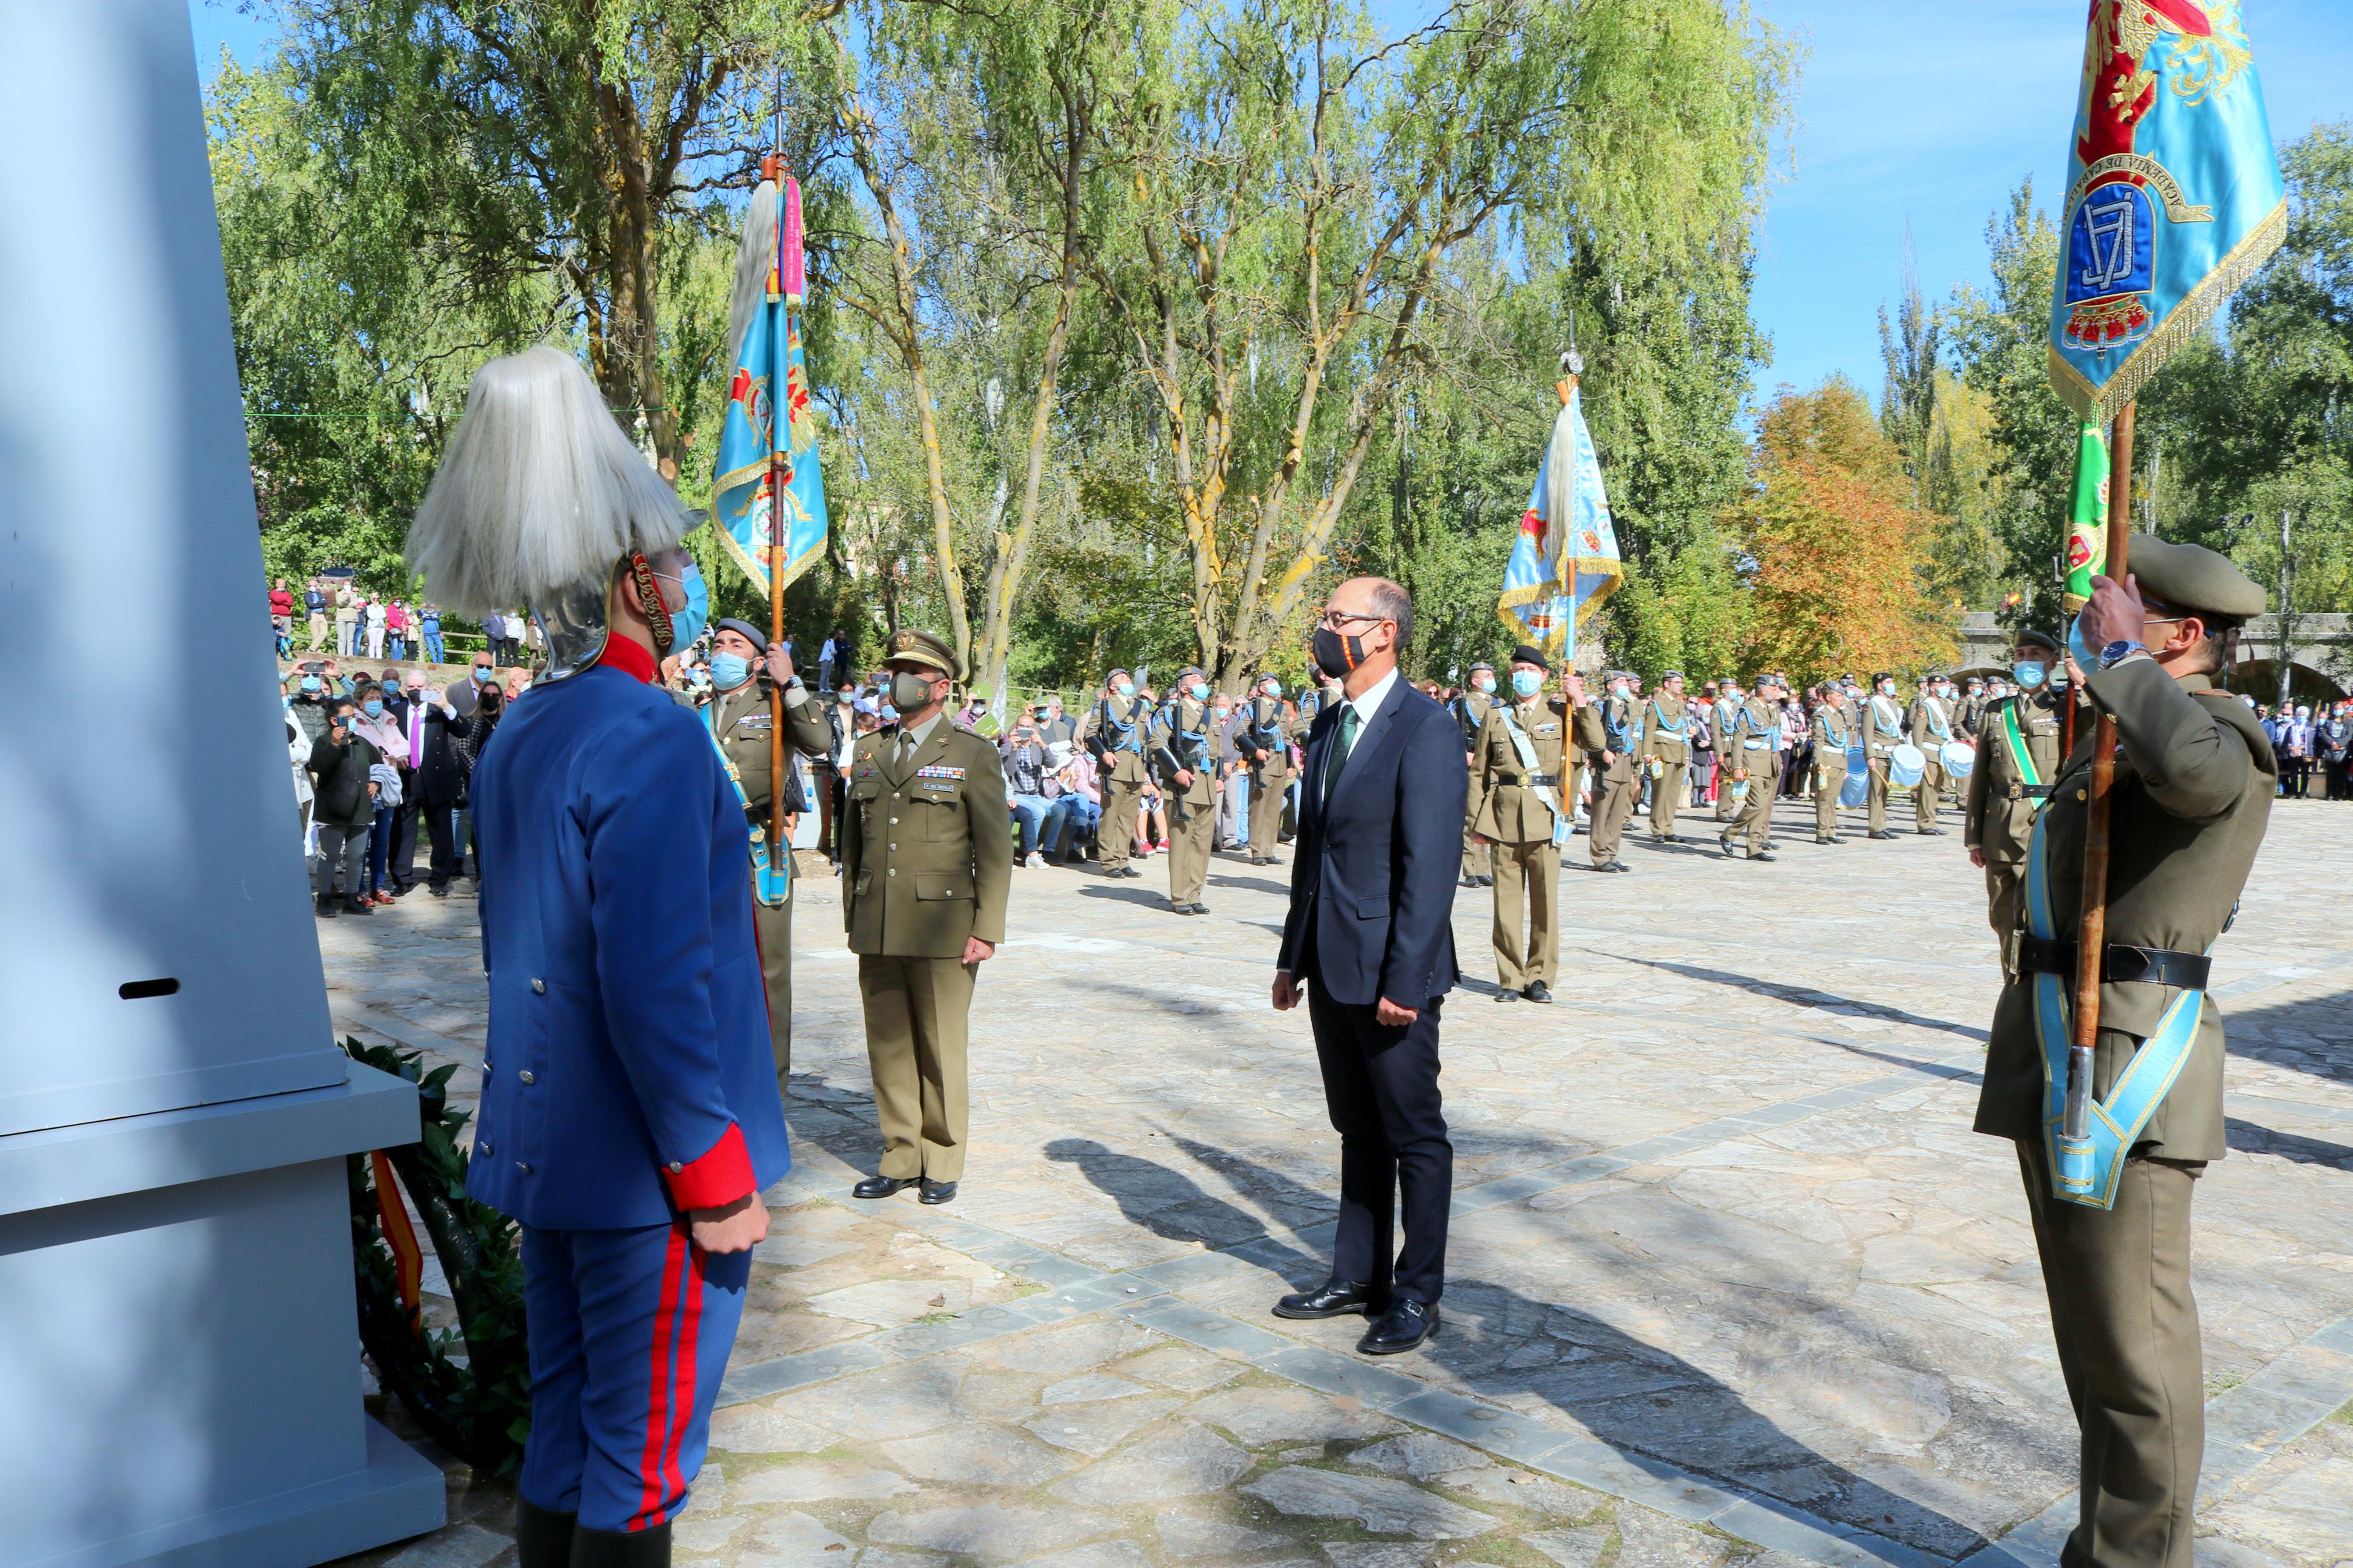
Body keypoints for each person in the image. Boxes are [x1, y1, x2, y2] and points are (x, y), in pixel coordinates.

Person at [404, 344, 786, 1568]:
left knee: (570, 1440)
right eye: (668, 560)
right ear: (630, 578)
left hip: (558, 1155)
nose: (682, 580)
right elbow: (654, 982)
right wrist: (714, 1171)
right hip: (651, 1173)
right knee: (643, 1465)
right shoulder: (653, 736)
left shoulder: (527, 726)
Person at [1976, 539, 2270, 1568]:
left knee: (2136, 1355)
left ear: (2182, 636)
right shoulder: (2118, 726)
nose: (2098, 616)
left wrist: (2122, 666)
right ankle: (2104, 1550)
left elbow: (2191, 777)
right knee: (2094, 1347)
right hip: (2060, 1047)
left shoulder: (2221, 732)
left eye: (2123, 609)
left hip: (2130, 1070)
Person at [1272, 575, 1464, 1357]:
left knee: (1412, 1132)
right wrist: (1291, 954)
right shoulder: (1327, 726)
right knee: (1356, 1128)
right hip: (1327, 959)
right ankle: (1357, 1274)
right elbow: (1311, 855)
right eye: (1324, 617)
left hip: (1390, 970)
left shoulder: (1424, 728)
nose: (1324, 630)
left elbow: (1430, 866)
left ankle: (1416, 1292)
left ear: (1383, 632)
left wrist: (1403, 977)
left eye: (1336, 618)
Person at [840, 628, 1013, 1207]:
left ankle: (940, 1158)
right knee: (888, 1044)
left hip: (944, 926)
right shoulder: (869, 750)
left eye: (911, 671)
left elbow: (993, 848)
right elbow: (853, 843)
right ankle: (900, 1154)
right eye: (894, 669)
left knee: (940, 1046)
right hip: (879, 920)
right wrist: (853, 915)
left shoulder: (971, 753)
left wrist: (986, 927)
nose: (898, 680)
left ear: (940, 686)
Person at [706, 617, 835, 1098]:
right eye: (719, 643)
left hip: (762, 855)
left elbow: (820, 744)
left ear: (757, 660)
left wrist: (792, 683)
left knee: (768, 972)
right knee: (707, 967)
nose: (723, 651)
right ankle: (718, 1077)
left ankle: (768, 1087)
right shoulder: (695, 713)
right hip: (704, 857)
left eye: (735, 645)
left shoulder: (776, 706)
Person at [1467, 645, 1584, 1002]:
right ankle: (1510, 977)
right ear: (1510, 675)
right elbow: (1479, 773)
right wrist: (1475, 821)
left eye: (1531, 669)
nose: (1524, 674)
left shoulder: (1562, 713)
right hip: (1503, 819)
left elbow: (1595, 742)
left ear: (1545, 675)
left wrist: (1579, 700)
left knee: (1545, 904)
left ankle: (1540, 978)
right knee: (1506, 904)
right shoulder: (1496, 715)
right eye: (1518, 668)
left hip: (1547, 820)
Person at [1963, 630, 2065, 973]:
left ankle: (2038, 993)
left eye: (2034, 653)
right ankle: (2013, 986)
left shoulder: (2068, 707)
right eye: (2020, 655)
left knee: (2040, 920)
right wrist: (1974, 837)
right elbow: (1981, 779)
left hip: (2045, 827)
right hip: (1999, 829)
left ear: (2053, 662)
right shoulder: (1997, 711)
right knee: (2004, 918)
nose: (2025, 661)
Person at [1151, 668, 1220, 914]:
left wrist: (1220, 776)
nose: (1201, 683)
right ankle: (1180, 897)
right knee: (1181, 844)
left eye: (1202, 679)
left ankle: (1195, 894)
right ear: (1183, 688)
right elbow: (1157, 745)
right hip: (1183, 786)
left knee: (1202, 845)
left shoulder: (1209, 714)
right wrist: (1176, 771)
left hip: (1208, 786)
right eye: (1195, 680)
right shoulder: (1169, 713)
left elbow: (1216, 750)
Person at [307, 696, 381, 917]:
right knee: (330, 856)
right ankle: (325, 898)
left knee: (357, 856)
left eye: (354, 717)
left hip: (361, 808)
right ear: (333, 720)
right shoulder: (323, 742)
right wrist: (335, 744)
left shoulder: (362, 743)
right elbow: (319, 766)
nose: (352, 721)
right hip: (332, 808)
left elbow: (379, 764)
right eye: (347, 717)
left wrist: (376, 782)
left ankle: (352, 897)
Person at [351, 687, 411, 904]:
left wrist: (387, 752)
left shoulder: (389, 719)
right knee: (362, 842)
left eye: (378, 698)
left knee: (381, 841)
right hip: (366, 787)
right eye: (370, 698)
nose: (376, 702)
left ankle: (378, 887)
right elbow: (360, 752)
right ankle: (358, 888)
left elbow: (405, 747)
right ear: (360, 702)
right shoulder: (355, 720)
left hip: (388, 785)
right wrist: (387, 752)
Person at [1238, 674, 1300, 868]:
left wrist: (1290, 764)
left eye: (1276, 682)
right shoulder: (1252, 708)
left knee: (1274, 809)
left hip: (1280, 762)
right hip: (1261, 764)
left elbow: (1287, 738)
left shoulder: (1281, 708)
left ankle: (1269, 849)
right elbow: (1238, 733)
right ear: (1263, 688)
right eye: (1271, 683)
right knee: (1259, 808)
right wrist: (1255, 751)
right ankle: (1257, 849)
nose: (1275, 686)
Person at [1716, 673, 1777, 861]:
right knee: (1756, 804)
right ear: (1764, 689)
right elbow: (1739, 740)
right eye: (1774, 689)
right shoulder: (1748, 710)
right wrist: (1736, 767)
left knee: (1762, 807)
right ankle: (1729, 834)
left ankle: (1754, 847)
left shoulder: (1770, 710)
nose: (1777, 692)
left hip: (1768, 763)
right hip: (1752, 763)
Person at [1588, 670, 1638, 873]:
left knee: (1617, 814)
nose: (1625, 684)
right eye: (1621, 681)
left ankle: (1611, 853)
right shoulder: (1600, 707)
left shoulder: (1627, 707)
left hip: (1625, 762)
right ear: (1610, 686)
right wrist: (1601, 752)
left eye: (1626, 681)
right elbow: (1592, 733)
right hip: (1607, 764)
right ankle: (1600, 856)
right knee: (1602, 813)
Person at [1451, 663, 1496, 886]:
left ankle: (1484, 868)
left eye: (1492, 675)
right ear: (1475, 681)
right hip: (1471, 762)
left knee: (1488, 817)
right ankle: (1471, 869)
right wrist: (1463, 754)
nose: (1491, 679)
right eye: (1486, 676)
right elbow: (1452, 734)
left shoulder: (1499, 705)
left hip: (1494, 765)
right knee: (1471, 817)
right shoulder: (1463, 704)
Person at [1639, 671, 1691, 843]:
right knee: (1660, 792)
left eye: (1681, 682)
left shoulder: (1679, 703)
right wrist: (1647, 753)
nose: (1681, 686)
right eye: (1677, 682)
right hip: (1662, 752)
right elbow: (1649, 729)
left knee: (1673, 794)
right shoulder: (1657, 704)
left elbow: (1680, 727)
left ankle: (1669, 827)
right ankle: (1657, 828)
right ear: (1667, 684)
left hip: (1679, 752)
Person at [1002, 713, 1054, 867]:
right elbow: (1008, 772)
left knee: (1059, 811)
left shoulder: (1037, 746)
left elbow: (1052, 763)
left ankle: (1049, 851)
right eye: (1022, 727)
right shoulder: (1007, 746)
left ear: (1034, 729)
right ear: (1016, 728)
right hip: (1017, 795)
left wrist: (1043, 745)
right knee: (1038, 812)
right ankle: (1030, 851)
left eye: (1029, 727)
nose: (1025, 730)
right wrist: (1014, 749)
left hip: (1036, 795)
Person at [1859, 671, 1907, 840]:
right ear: (1880, 685)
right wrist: (1870, 756)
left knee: (1885, 791)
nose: (1892, 684)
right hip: (1878, 753)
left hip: (1891, 753)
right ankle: (1875, 827)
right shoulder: (1871, 705)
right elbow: (1867, 732)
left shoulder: (1892, 705)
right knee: (1876, 791)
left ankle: (1882, 825)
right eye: (1889, 682)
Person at [1908, 675, 1955, 834]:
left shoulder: (1941, 705)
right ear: (1933, 688)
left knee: (1936, 789)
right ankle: (1924, 823)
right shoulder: (1925, 706)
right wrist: (1921, 756)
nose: (1946, 688)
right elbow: (1918, 732)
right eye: (1942, 685)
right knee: (1927, 789)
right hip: (1929, 752)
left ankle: (1932, 822)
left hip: (1941, 751)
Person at [1040, 741, 1101, 863]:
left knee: (1082, 798)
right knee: (1069, 810)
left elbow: (1070, 791)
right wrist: (1061, 779)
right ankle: (1073, 850)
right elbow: (1049, 794)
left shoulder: (1067, 769)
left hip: (1065, 798)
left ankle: (1081, 831)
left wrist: (1072, 781)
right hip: (1051, 800)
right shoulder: (1046, 773)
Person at [1809, 685, 1850, 844]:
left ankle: (1831, 829)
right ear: (1828, 697)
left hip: (1839, 759)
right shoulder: (1821, 715)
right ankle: (1822, 832)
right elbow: (1818, 741)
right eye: (1838, 695)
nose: (1841, 698)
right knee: (1825, 798)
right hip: (1827, 760)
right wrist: (1819, 763)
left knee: (1834, 798)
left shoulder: (1839, 715)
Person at [334, 582, 361, 656]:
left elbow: (355, 603)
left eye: (349, 585)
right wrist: (346, 596)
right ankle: (341, 654)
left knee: (350, 639)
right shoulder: (339, 594)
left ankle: (350, 655)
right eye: (346, 585)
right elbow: (340, 603)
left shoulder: (354, 594)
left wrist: (346, 605)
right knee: (341, 638)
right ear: (343, 585)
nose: (348, 586)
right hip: (341, 618)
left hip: (352, 618)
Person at [304, 579, 331, 652]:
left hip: (321, 615)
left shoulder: (320, 594)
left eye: (314, 586)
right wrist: (320, 603)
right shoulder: (307, 595)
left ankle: (312, 648)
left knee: (324, 633)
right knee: (315, 634)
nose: (312, 587)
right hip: (313, 615)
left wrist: (317, 602)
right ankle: (316, 650)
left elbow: (325, 602)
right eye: (310, 586)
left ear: (317, 586)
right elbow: (310, 604)